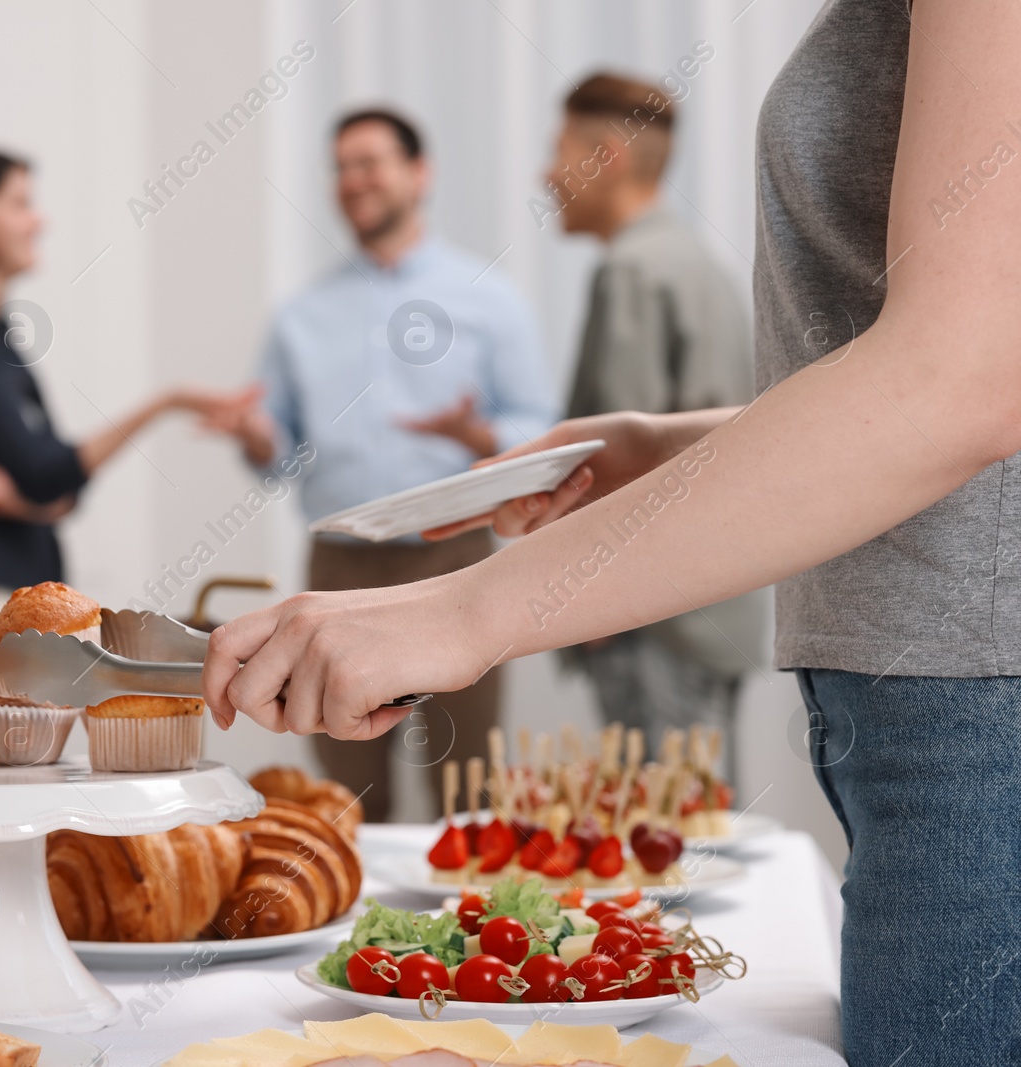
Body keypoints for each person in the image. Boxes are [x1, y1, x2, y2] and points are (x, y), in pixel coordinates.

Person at [206, 2, 1021, 1061]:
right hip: (921, 696)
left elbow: (957, 385)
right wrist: (667, 442)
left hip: (974, 707)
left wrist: (464, 607)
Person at [206, 108, 557, 821]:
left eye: (369, 163)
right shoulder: (301, 314)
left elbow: (541, 429)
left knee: (469, 780)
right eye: (340, 168)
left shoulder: (489, 298)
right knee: (346, 785)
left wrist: (478, 431)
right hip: (340, 569)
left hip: (457, 561)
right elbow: (281, 453)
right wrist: (253, 435)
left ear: (418, 173)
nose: (352, 181)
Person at [0, 152, 238, 675]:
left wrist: (23, 499)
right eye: (20, 203)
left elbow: (62, 486)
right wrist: (165, 402)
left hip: (19, 601)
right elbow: (49, 474)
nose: (39, 220)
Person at [540, 72, 761, 777]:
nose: (546, 175)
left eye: (558, 151)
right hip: (711, 607)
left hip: (651, 617)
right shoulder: (700, 265)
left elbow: (619, 467)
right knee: (695, 830)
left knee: (659, 853)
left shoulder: (633, 272)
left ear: (606, 155)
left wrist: (598, 604)